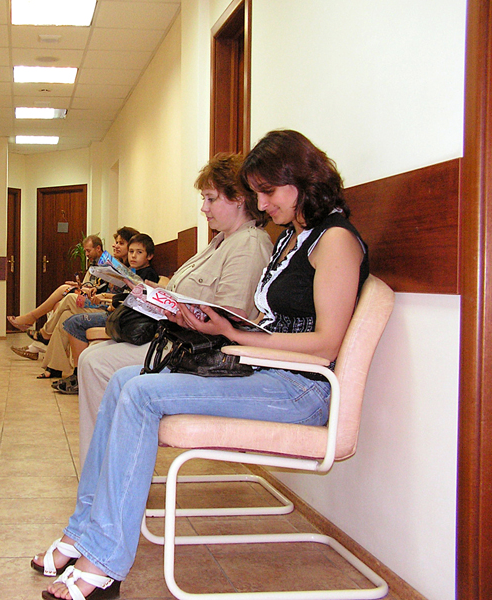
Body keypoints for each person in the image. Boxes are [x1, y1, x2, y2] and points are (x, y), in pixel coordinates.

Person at [33, 130, 369, 600]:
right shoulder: (293, 239)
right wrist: (216, 325)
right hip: (262, 369)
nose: (262, 204)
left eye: (268, 192)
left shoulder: (335, 241)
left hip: (299, 388)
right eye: (257, 193)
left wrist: (235, 334)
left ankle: (103, 560)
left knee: (141, 392)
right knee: (125, 380)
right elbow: (267, 318)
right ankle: (83, 530)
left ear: (302, 180)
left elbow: (327, 342)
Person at [75, 152, 272, 467]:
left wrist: (172, 305)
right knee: (91, 357)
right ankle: (100, 465)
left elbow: (230, 317)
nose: (204, 208)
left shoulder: (249, 244)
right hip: (176, 339)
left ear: (238, 199)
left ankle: (107, 467)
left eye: (210, 198)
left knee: (96, 363)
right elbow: (183, 294)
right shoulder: (220, 242)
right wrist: (143, 290)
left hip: (199, 351)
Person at [53, 233, 162, 394]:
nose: (133, 256)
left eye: (139, 252)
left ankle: (79, 377)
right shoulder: (133, 272)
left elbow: (139, 301)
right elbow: (126, 296)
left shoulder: (147, 276)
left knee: (74, 322)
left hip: (126, 318)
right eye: (131, 251)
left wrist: (113, 303)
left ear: (150, 256)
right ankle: (74, 374)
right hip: (117, 311)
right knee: (69, 318)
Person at [34, 227, 139, 379]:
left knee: (69, 298)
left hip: (109, 309)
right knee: (65, 315)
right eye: (116, 242)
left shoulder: (131, 271)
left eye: (121, 243)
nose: (115, 246)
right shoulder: (115, 265)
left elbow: (124, 296)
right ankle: (54, 367)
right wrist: (93, 289)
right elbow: (102, 285)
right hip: (101, 303)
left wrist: (102, 294)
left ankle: (45, 333)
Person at [7, 235, 104, 332]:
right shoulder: (94, 265)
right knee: (57, 305)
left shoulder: (107, 265)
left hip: (96, 301)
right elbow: (89, 284)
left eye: (88, 251)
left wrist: (85, 288)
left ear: (98, 248)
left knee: (63, 289)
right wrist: (79, 285)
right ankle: (42, 337)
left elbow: (101, 289)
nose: (86, 254)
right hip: (87, 294)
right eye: (85, 251)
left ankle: (33, 319)